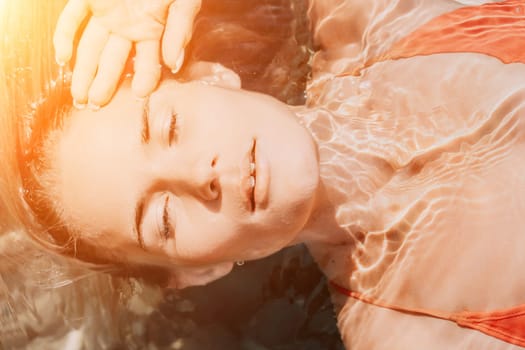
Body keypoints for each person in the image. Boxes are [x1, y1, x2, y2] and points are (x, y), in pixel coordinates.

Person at [15, 0, 525, 349]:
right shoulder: (415, 335)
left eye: (169, 127)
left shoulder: (369, 14)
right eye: (163, 218)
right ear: (199, 272)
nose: (201, 176)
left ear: (212, 77)